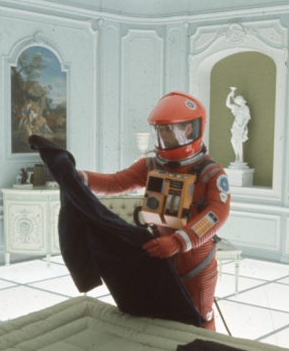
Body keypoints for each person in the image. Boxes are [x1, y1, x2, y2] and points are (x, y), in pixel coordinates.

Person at [78, 91, 231, 330]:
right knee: (163, 317)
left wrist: (178, 241)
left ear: (190, 129)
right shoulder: (152, 165)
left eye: (170, 130)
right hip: (162, 255)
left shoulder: (210, 173)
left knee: (199, 319)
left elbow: (216, 214)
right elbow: (116, 183)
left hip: (196, 262)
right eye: (160, 131)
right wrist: (79, 178)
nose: (165, 137)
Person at [226, 87, 251, 164]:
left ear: (241, 100)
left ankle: (240, 158)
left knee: (239, 142)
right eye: (236, 101)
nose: (237, 102)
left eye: (238, 101)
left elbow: (247, 118)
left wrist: (243, 126)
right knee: (233, 141)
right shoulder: (237, 108)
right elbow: (228, 104)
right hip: (235, 126)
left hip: (240, 127)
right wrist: (229, 95)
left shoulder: (245, 108)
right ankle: (236, 156)